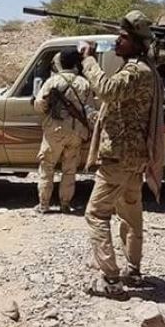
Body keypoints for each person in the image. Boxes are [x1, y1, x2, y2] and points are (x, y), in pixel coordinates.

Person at [80, 10, 165, 300]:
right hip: (133, 157)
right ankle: (133, 269)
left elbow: (106, 89)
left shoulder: (137, 71)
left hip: (119, 157)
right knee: (130, 213)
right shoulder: (143, 68)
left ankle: (111, 279)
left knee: (96, 213)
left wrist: (87, 59)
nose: (118, 40)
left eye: (124, 38)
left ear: (138, 43)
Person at [33, 49, 95, 214]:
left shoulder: (51, 82)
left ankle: (44, 205)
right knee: (70, 170)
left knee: (47, 167)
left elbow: (39, 105)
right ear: (76, 64)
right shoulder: (84, 83)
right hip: (76, 132)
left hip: (54, 131)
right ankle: (65, 204)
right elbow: (90, 111)